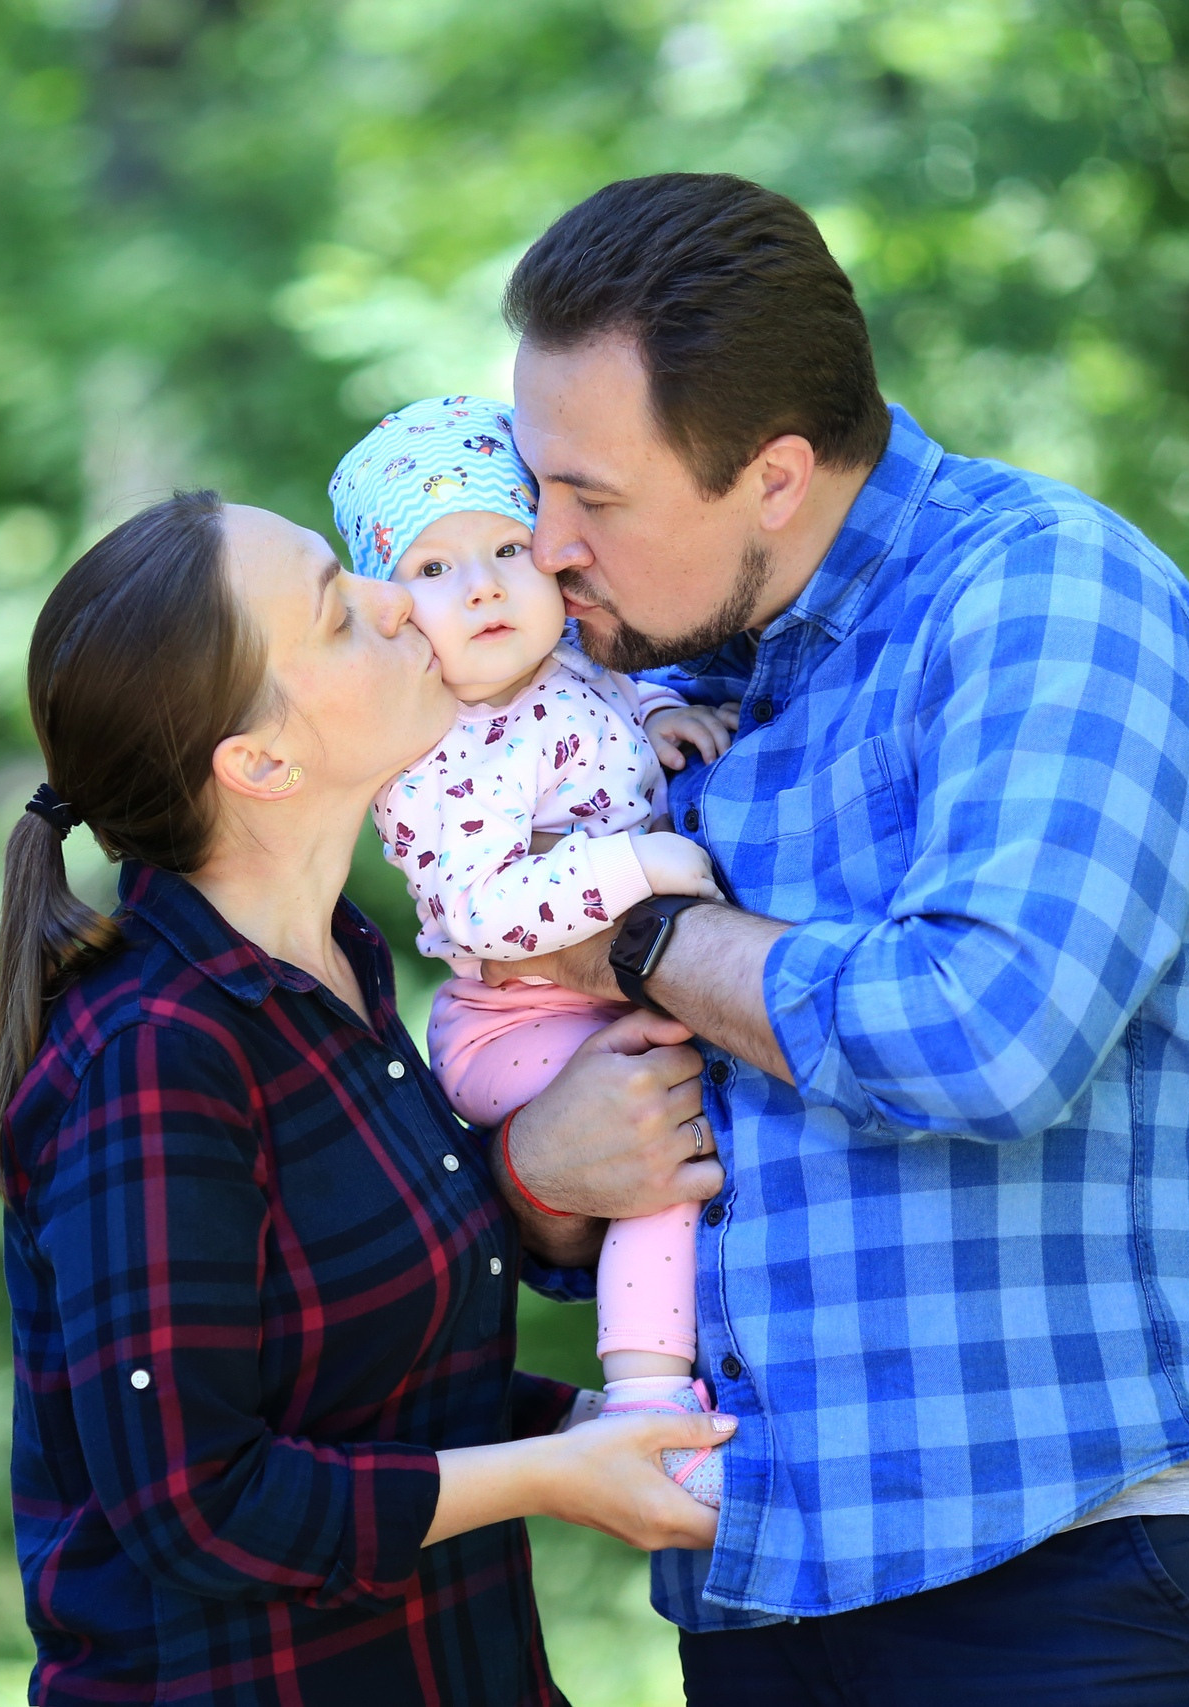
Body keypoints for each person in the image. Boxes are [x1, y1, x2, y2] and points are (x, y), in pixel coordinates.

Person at [484, 173, 1189, 1703]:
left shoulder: (1046, 598)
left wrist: (639, 940)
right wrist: (544, 1172)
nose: (541, 544)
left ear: (773, 474)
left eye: (594, 500)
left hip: (1078, 1564)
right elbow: (644, 1141)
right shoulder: (650, 683)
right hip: (782, 1569)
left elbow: (989, 1030)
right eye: (532, 480)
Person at [0, 489, 733, 1705]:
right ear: (258, 761)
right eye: (337, 612)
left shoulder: (347, 966)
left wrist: (594, 1420)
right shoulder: (151, 1051)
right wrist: (555, 1473)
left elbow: (371, 1392)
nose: (398, 600)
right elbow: (200, 1507)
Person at [328, 393, 740, 1505]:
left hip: (588, 996)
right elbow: (482, 913)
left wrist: (656, 718)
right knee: (658, 1155)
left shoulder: (570, 670)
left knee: (692, 1115)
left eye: (509, 546)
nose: (483, 586)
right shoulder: (429, 756)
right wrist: (636, 872)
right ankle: (651, 1400)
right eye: (434, 568)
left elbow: (608, 721)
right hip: (511, 1026)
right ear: (393, 610)